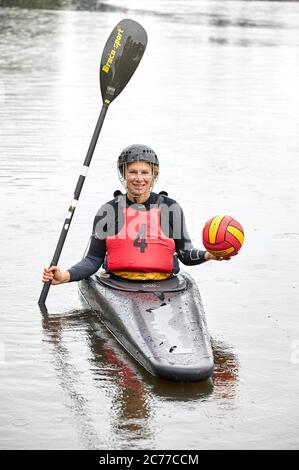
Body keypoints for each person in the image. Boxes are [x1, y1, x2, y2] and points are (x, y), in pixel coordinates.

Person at [42, 144, 230, 285]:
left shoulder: (170, 208)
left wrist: (209, 255)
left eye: (145, 173)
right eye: (132, 172)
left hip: (164, 285)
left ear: (153, 175)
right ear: (123, 174)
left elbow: (185, 254)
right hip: (118, 283)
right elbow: (93, 260)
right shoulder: (109, 211)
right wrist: (65, 275)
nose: (139, 179)